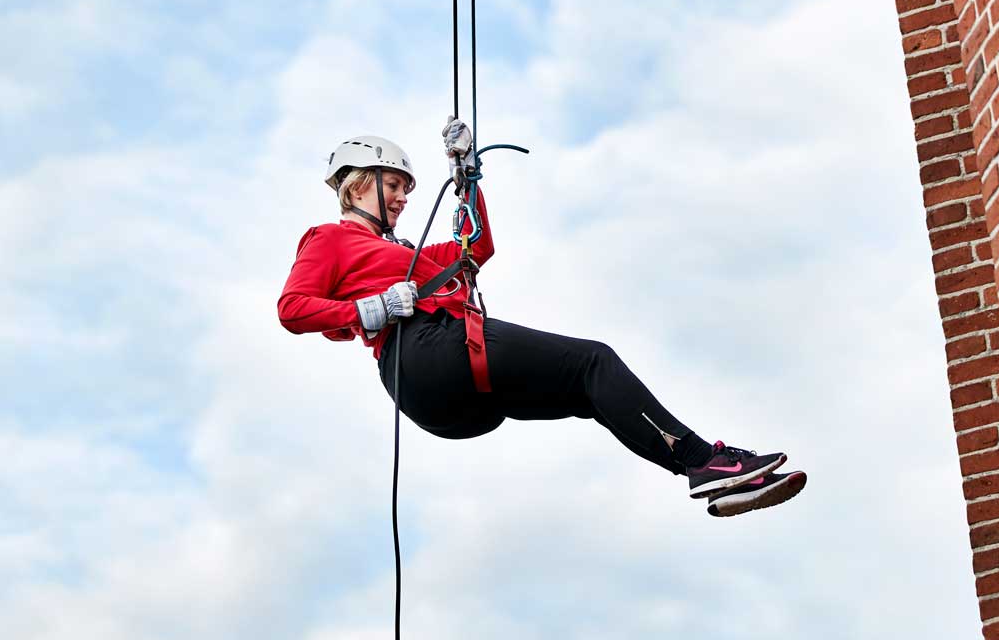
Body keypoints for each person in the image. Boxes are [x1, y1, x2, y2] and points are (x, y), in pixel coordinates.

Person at [276, 120, 806, 516]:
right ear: (358, 184)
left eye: (405, 190)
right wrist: (370, 308)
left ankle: (708, 472)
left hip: (438, 383)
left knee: (591, 391)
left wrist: (467, 179)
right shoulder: (330, 239)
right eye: (393, 186)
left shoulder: (411, 255)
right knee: (593, 362)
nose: (401, 200)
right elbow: (292, 308)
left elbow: (476, 248)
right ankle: (705, 460)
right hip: (423, 353)